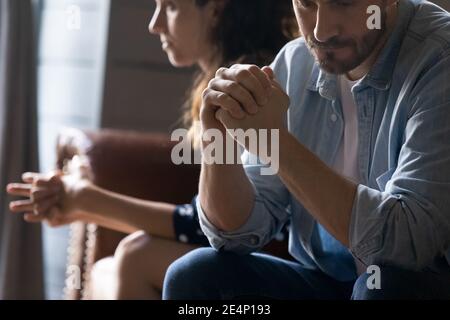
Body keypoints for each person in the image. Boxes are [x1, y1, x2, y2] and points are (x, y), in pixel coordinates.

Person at [6, 0, 296, 299]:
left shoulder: (250, 88)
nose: (154, 24)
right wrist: (80, 202)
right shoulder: (222, 83)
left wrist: (85, 201)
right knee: (105, 272)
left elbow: (217, 226)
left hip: (278, 259)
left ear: (215, 9)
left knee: (136, 257)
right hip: (246, 250)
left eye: (170, 7)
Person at [163, 0, 450, 300]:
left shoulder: (439, 58)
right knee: (196, 276)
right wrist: (217, 138)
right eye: (306, 4)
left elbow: (407, 245)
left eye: (343, 3)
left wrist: (277, 143)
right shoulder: (295, 63)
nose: (321, 31)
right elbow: (235, 234)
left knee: (385, 288)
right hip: (329, 283)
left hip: (420, 286)